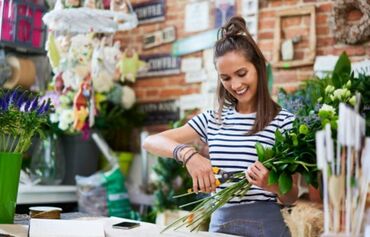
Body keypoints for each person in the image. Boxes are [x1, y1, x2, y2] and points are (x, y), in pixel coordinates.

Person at [143, 16, 298, 237]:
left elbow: (292, 195)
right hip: (220, 227)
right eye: (226, 78)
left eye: (242, 74)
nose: (235, 85)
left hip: (267, 227)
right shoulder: (213, 120)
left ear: (259, 67)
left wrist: (270, 183)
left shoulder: (284, 122)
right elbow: (151, 141)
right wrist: (189, 155)